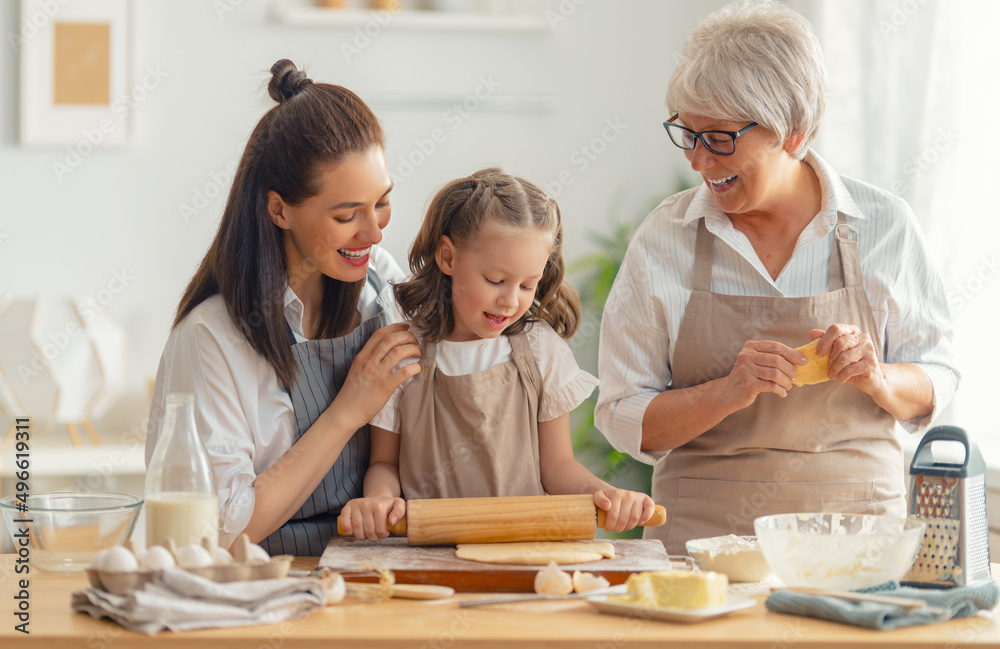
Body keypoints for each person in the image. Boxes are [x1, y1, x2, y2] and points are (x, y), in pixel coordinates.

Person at [596, 0, 959, 554]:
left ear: (793, 131)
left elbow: (938, 377)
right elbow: (624, 418)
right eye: (685, 134)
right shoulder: (663, 237)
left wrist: (876, 377)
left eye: (718, 139)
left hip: (858, 541)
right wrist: (728, 391)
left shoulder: (884, 226)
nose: (697, 161)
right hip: (700, 548)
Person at [145, 60, 421, 556]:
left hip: (368, 572)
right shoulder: (212, 337)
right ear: (279, 210)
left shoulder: (380, 281)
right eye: (345, 215)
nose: (374, 231)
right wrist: (348, 409)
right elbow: (222, 530)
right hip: (263, 584)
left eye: (381, 202)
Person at [338, 168, 657, 541]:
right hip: (426, 551)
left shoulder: (540, 350)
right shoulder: (404, 354)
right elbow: (383, 462)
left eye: (527, 285)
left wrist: (603, 493)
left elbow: (557, 466)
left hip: (526, 551)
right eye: (495, 281)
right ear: (448, 258)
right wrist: (378, 499)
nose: (510, 301)